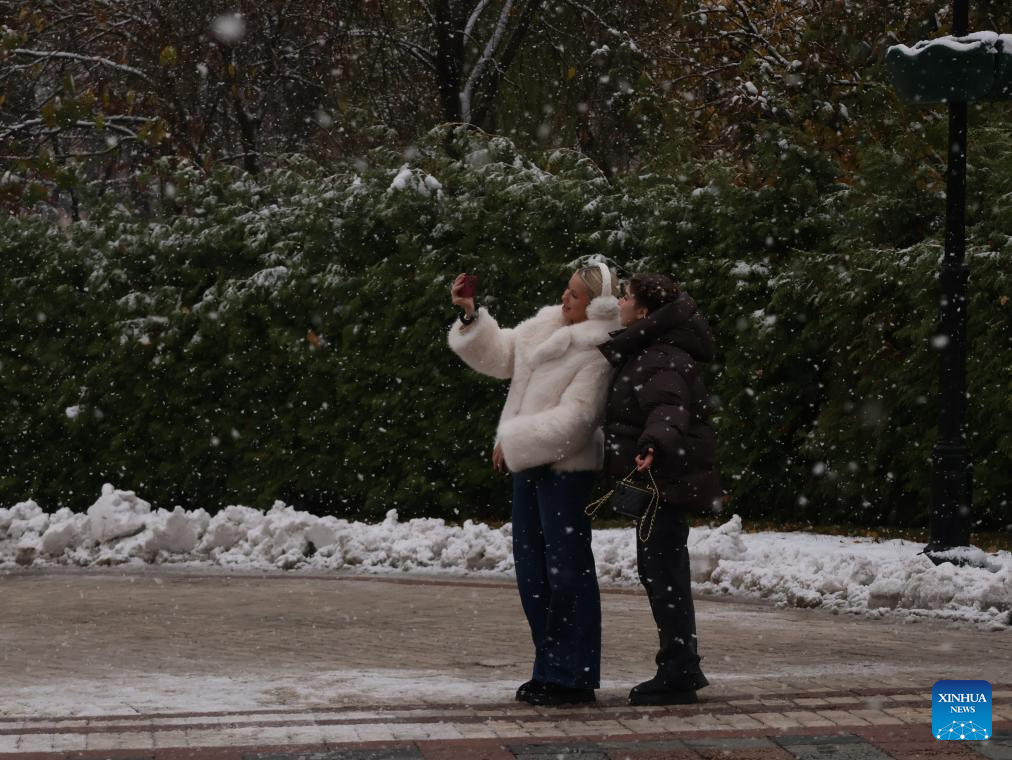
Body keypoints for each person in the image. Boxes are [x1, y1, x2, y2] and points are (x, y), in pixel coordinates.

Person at [448, 263, 621, 706]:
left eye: (576, 296)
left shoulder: (600, 349)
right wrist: (470, 316)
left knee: (567, 573)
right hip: (531, 467)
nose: (565, 300)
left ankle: (575, 676)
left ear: (598, 306)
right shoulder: (547, 325)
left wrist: (515, 440)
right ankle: (549, 667)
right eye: (566, 290)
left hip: (567, 472)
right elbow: (502, 354)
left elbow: (578, 421)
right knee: (533, 572)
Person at [597, 272, 720, 706]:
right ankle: (679, 664)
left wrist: (653, 444)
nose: (620, 303)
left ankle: (680, 668)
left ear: (645, 311)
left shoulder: (660, 356)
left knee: (664, 575)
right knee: (662, 573)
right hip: (665, 483)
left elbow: (668, 408)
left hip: (665, 484)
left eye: (626, 297)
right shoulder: (653, 350)